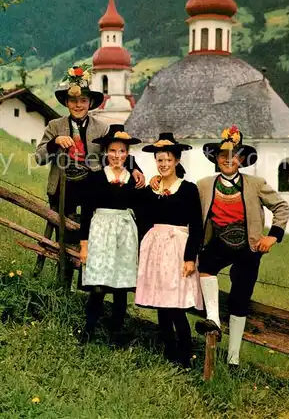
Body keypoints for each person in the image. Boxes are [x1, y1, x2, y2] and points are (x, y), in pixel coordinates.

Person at [35, 65, 144, 283]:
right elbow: (39, 157)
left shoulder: (101, 127)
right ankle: (62, 283)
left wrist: (135, 168)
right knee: (64, 237)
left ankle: (85, 283)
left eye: (83, 101)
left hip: (91, 189)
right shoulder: (55, 126)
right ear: (67, 102)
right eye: (73, 101)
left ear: (90, 103)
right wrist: (55, 143)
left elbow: (115, 151)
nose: (78, 105)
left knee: (90, 235)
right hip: (63, 189)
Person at [195, 125, 289, 371]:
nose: (228, 160)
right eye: (223, 155)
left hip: (249, 246)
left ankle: (233, 358)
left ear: (242, 159)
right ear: (216, 159)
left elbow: (281, 207)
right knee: (204, 266)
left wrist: (273, 237)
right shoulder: (204, 185)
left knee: (240, 298)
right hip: (218, 242)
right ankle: (213, 320)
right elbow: (188, 205)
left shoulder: (255, 184)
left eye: (234, 155)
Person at [135, 133, 203, 368]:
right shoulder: (151, 191)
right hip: (156, 249)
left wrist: (189, 257)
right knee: (162, 305)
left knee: (176, 306)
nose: (164, 164)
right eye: (159, 160)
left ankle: (185, 357)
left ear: (177, 161)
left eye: (168, 160)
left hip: (177, 249)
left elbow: (196, 226)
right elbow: (142, 217)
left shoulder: (188, 189)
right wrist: (149, 184)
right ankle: (169, 353)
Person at [79, 124, 142, 345]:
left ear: (127, 154)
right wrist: (84, 245)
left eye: (122, 151)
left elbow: (142, 210)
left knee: (120, 286)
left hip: (125, 232)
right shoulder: (95, 178)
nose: (117, 156)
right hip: (100, 231)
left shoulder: (135, 179)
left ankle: (115, 334)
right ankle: (88, 330)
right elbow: (86, 212)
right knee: (98, 285)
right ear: (106, 152)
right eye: (113, 151)